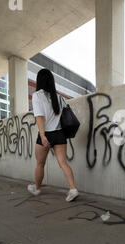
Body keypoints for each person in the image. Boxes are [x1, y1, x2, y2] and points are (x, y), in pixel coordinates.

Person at [27, 69, 79, 202]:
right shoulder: (59, 97)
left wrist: (43, 136)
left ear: (39, 80)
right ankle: (73, 188)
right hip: (60, 134)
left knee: (40, 163)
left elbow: (39, 117)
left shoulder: (38, 95)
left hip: (46, 134)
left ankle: (37, 188)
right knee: (63, 162)